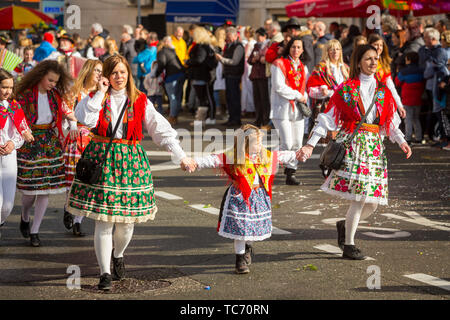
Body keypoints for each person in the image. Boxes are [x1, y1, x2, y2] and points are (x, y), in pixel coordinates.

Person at [65, 54, 194, 290]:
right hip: (102, 158)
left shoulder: (140, 100)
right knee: (103, 221)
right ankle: (104, 272)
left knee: (126, 223)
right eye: (113, 73)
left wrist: (181, 156)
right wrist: (99, 92)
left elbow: (161, 131)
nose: (119, 77)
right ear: (105, 76)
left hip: (130, 162)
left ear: (129, 74)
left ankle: (119, 254)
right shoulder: (97, 98)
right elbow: (85, 119)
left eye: (122, 72)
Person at [297, 45, 412, 260]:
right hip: (355, 147)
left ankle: (345, 224)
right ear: (358, 62)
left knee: (373, 203)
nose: (373, 62)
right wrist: (310, 144)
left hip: (375, 149)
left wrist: (401, 141)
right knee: (359, 199)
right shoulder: (346, 89)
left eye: (376, 59)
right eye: (368, 59)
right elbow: (327, 119)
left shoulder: (382, 91)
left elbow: (390, 123)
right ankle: (349, 245)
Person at [188, 124, 299, 274]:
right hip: (239, 199)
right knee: (241, 230)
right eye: (256, 143)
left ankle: (248, 247)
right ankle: (239, 260)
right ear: (245, 143)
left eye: (260, 142)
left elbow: (281, 156)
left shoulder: (264, 155)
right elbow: (213, 159)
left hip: (258, 199)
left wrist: (297, 154)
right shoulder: (233, 157)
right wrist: (195, 162)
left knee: (252, 229)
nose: (260, 145)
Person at [15, 60, 77, 247]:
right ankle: (25, 216)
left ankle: (35, 231)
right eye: (50, 80)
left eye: (55, 81)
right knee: (28, 191)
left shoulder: (55, 96)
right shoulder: (25, 95)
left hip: (50, 143)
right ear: (40, 76)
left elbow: (69, 112)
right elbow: (14, 115)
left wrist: (73, 124)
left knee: (45, 190)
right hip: (30, 141)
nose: (52, 84)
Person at [62, 60, 103, 236]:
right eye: (97, 71)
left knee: (87, 179)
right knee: (72, 179)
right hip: (76, 139)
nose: (100, 75)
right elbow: (65, 108)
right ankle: (68, 207)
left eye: (102, 72)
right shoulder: (75, 92)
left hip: (92, 140)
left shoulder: (101, 94)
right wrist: (72, 124)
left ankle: (78, 221)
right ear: (88, 72)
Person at [270, 37, 309, 186]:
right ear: (288, 48)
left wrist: (303, 96)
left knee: (297, 143)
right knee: (286, 142)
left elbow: (304, 87)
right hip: (281, 110)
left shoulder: (303, 67)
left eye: (299, 47)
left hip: (297, 111)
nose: (296, 50)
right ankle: (268, 164)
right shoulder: (278, 64)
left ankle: (291, 173)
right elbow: (279, 87)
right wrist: (298, 95)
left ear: (303, 50)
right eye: (293, 47)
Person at [0, 70, 34, 238]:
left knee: (7, 205)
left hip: (9, 159)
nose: (8, 91)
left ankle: (1, 222)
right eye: (4, 87)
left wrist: (13, 143)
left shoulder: (14, 107)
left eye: (10, 87)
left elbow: (22, 133)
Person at [306, 39, 349, 140]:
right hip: (327, 108)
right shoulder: (321, 67)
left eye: (337, 49)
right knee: (328, 142)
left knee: (343, 142)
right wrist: (324, 92)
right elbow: (311, 90)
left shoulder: (346, 69)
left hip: (344, 109)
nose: (335, 52)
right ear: (327, 51)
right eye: (332, 49)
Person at [419, 28, 449, 144]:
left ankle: (442, 137)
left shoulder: (441, 52)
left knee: (440, 112)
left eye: (426, 38)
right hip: (433, 85)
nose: (424, 40)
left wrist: (429, 69)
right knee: (436, 111)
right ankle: (440, 136)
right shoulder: (427, 50)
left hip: (438, 85)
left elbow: (431, 70)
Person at [368, 33, 406, 118]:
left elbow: (390, 86)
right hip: (369, 103)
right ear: (369, 45)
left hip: (384, 101)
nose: (379, 47)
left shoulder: (384, 62)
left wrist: (399, 105)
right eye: (375, 45)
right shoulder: (364, 62)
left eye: (381, 45)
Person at [185, 27, 218, 125]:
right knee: (202, 98)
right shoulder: (203, 46)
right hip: (200, 75)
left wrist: (188, 61)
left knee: (203, 98)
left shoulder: (201, 46)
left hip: (201, 75)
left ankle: (202, 119)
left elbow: (199, 60)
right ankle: (203, 118)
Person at [215, 27, 245, 126]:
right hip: (229, 75)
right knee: (229, 98)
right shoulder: (228, 45)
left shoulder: (238, 46)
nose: (227, 39)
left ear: (235, 36)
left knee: (234, 98)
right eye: (226, 36)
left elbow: (234, 61)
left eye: (229, 37)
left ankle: (236, 119)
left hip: (234, 75)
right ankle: (231, 118)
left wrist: (221, 59)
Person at [395, 52, 425, 144]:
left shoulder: (404, 71)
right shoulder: (421, 71)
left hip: (407, 98)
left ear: (409, 60)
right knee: (416, 118)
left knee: (408, 119)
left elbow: (397, 82)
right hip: (418, 98)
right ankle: (419, 137)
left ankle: (408, 138)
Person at [156, 36, 185, 125]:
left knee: (172, 97)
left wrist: (156, 74)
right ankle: (175, 116)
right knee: (177, 97)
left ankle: (172, 117)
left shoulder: (162, 52)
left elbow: (162, 63)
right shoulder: (173, 51)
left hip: (172, 76)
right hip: (181, 74)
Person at [248, 27, 270, 128]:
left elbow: (269, 58)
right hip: (255, 75)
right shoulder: (256, 45)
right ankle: (258, 120)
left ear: (264, 36)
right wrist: (253, 59)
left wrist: (261, 58)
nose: (257, 38)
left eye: (259, 36)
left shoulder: (268, 45)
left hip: (263, 75)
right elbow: (249, 59)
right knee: (257, 99)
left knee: (264, 99)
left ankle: (265, 121)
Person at [241, 27, 256, 117]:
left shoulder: (251, 43)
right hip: (246, 67)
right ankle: (246, 108)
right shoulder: (248, 43)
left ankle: (250, 108)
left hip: (249, 67)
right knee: (246, 88)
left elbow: (247, 55)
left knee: (249, 88)